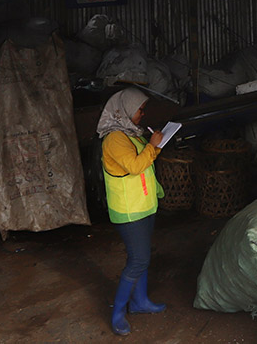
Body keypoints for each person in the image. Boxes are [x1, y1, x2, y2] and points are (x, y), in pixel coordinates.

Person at [97, 87, 167, 336]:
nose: (142, 113)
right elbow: (136, 166)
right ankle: (118, 313)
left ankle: (140, 303)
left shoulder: (131, 134)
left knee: (142, 258)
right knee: (138, 260)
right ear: (125, 110)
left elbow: (144, 160)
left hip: (143, 206)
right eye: (139, 109)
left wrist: (155, 146)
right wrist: (152, 146)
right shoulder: (114, 139)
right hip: (129, 212)